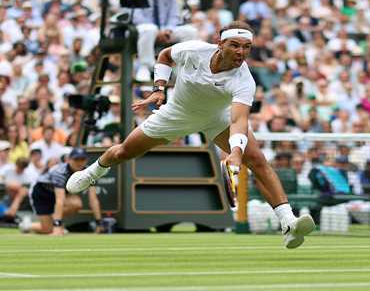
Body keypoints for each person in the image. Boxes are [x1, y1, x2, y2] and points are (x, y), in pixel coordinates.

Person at [67, 21, 315, 248]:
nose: (241, 52)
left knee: (258, 161)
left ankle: (288, 222)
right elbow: (165, 55)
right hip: (176, 114)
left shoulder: (244, 80)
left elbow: (239, 119)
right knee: (123, 152)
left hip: (217, 118)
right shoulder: (194, 49)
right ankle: (94, 171)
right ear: (220, 44)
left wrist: (236, 152)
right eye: (235, 45)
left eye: (247, 47)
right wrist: (159, 89)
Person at [129, 0, 197, 81]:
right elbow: (135, 16)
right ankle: (146, 66)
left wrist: (168, 30)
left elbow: (174, 15)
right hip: (144, 30)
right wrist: (157, 31)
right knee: (149, 29)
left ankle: (183, 67)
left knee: (190, 31)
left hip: (166, 31)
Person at [20, 148, 104, 235]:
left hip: (58, 193)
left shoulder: (89, 173)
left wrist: (99, 223)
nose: (79, 162)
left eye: (82, 159)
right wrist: (57, 226)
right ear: (69, 160)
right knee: (47, 230)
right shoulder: (60, 172)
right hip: (41, 193)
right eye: (76, 159)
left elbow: (93, 200)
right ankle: (28, 226)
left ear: (86, 160)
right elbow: (60, 201)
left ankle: (50, 222)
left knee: (76, 204)